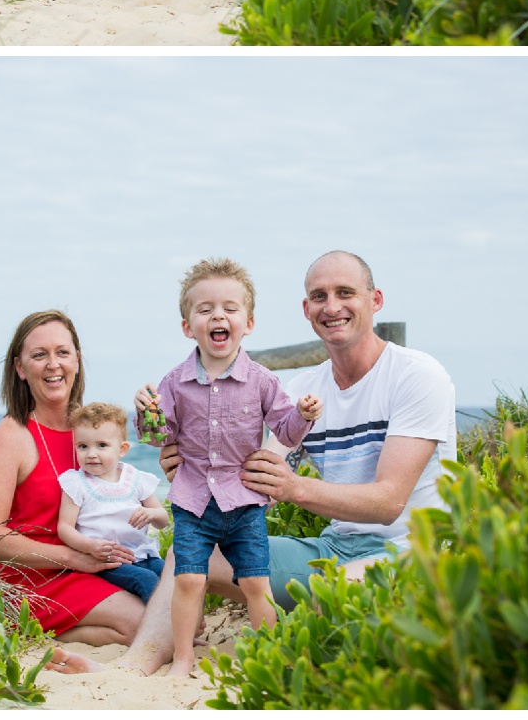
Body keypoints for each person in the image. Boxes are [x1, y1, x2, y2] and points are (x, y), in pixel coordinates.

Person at [46, 249, 455, 677]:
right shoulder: (303, 387)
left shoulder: (416, 375)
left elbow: (389, 501)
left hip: (412, 552)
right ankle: (134, 666)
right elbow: (256, 479)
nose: (331, 306)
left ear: (376, 300)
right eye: (319, 296)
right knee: (190, 557)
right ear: (306, 309)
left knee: (333, 597)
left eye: (345, 293)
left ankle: (289, 652)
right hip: (332, 548)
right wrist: (196, 470)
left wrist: (294, 487)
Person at [133, 258, 322, 677]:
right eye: (205, 309)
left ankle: (267, 656)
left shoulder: (262, 380)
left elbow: (286, 431)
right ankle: (183, 658)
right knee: (188, 581)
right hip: (192, 502)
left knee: (256, 583)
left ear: (248, 322)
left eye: (230, 308)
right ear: (188, 326)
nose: (218, 315)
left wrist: (305, 415)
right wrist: (147, 413)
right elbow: (158, 435)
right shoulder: (174, 382)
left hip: (245, 503)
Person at [0, 311, 149, 645]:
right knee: (145, 624)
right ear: (21, 369)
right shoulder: (9, 437)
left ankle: (46, 634)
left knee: (166, 609)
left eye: (62, 352)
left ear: (77, 361)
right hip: (34, 577)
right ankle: (20, 625)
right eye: (39, 355)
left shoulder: (91, 431)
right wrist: (74, 559)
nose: (53, 364)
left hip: (93, 565)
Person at [57, 401, 168, 605]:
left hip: (143, 553)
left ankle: (187, 622)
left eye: (102, 445)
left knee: (170, 575)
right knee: (147, 580)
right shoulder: (77, 483)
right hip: (107, 561)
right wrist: (90, 546)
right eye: (83, 446)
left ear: (122, 449)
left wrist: (151, 514)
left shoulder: (135, 478)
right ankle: (161, 628)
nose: (91, 453)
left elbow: (162, 520)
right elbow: (65, 527)